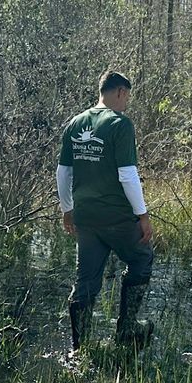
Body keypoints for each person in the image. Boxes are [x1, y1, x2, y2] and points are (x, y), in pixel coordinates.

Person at [56, 70, 155, 353]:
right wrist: (143, 215)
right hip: (117, 217)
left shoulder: (75, 124)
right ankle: (126, 328)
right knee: (142, 258)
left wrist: (67, 209)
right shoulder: (120, 125)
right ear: (121, 92)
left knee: (85, 281)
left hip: (85, 218)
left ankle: (79, 347)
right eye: (127, 97)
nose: (126, 104)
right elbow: (127, 175)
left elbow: (63, 173)